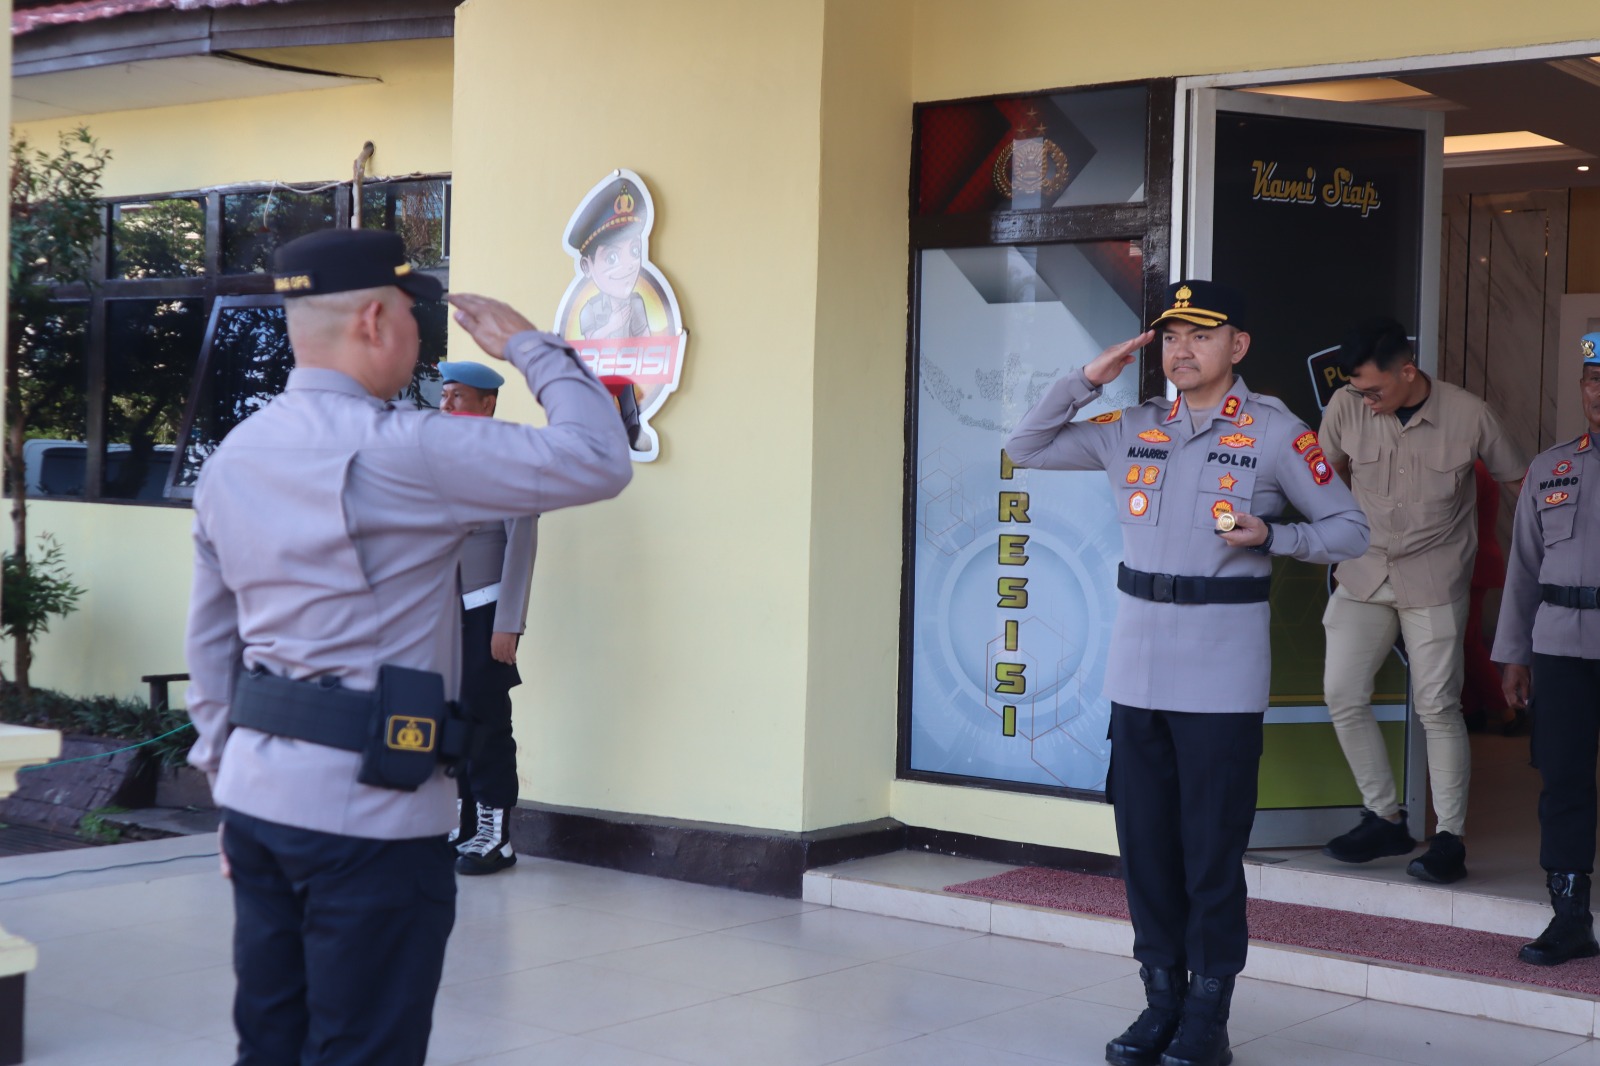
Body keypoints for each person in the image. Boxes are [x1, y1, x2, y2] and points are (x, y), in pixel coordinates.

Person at [184, 228, 632, 1065]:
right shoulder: (415, 447)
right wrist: (530, 346)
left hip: (258, 804)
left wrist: (224, 784)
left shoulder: (234, 456)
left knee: (270, 1042)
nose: (420, 340)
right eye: (413, 317)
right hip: (375, 816)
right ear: (375, 321)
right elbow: (598, 458)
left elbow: (211, 645)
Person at [1005, 280, 1368, 1066]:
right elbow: (1024, 446)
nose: (1182, 349)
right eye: (1171, 336)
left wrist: (1275, 537)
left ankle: (1208, 1012)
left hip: (1220, 678)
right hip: (1136, 675)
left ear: (1238, 346)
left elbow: (1349, 529)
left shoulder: (1276, 433)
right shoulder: (1131, 426)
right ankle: (1160, 999)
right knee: (1145, 852)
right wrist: (1088, 378)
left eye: (1201, 335)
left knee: (1210, 855)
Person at [1316, 318, 1524, 884]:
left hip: (1434, 579)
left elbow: (1521, 484)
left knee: (1438, 707)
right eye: (1358, 390)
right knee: (1342, 693)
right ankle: (1384, 817)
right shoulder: (1345, 406)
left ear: (1408, 371)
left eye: (1374, 390)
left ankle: (1449, 839)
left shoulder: (1469, 413)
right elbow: (1320, 476)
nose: (1366, 400)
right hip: (1363, 573)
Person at [1492, 332, 1600, 966]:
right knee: (1562, 778)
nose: (1599, 392)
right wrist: (1515, 653)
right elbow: (1523, 568)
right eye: (1594, 379)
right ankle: (1569, 915)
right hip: (1560, 645)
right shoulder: (1551, 467)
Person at [436, 360, 538, 876]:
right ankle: (462, 826)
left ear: (487, 403)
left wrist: (508, 622)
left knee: (488, 724)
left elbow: (521, 546)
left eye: (457, 395)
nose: (446, 404)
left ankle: (497, 837)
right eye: (444, 395)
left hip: (484, 612)